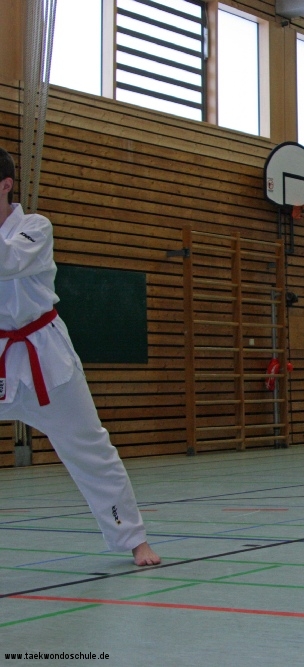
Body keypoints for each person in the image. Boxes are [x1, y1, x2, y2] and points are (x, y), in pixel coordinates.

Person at [0, 147, 159, 567]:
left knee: (89, 446)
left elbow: (7, 261)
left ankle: (134, 538)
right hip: (1, 353)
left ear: (5, 185)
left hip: (45, 354)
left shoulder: (35, 228)